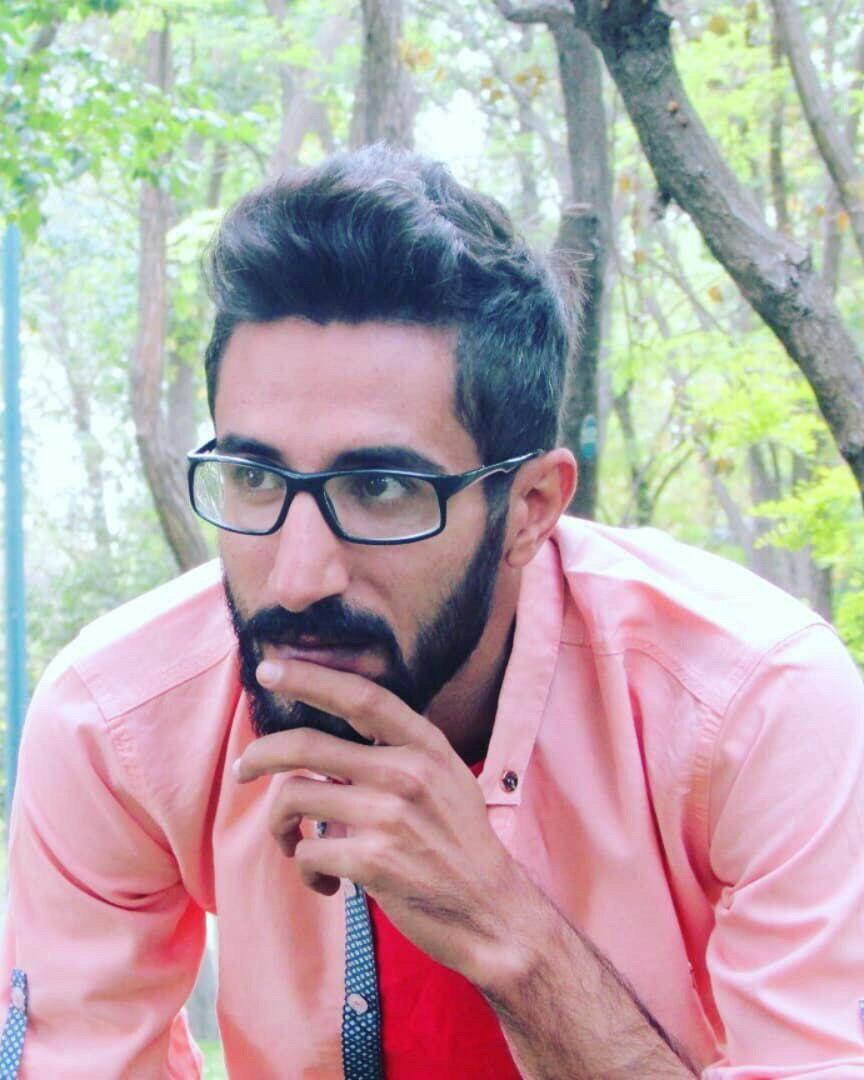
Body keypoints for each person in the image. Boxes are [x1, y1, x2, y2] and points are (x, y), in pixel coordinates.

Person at [2, 145, 863, 1080]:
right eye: (254, 477)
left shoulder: (755, 707)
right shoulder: (117, 721)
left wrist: (511, 936)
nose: (298, 577)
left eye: (380, 487)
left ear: (529, 508)